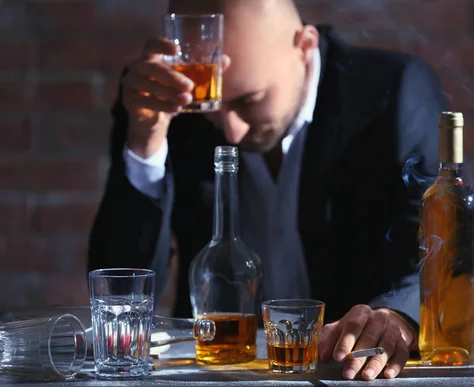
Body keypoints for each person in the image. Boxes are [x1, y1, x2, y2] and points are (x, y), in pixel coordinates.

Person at [88, 0, 449, 380]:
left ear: (305, 46)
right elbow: (118, 290)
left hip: (343, 373)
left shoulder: (392, 91)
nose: (230, 132)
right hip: (215, 374)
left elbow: (438, 246)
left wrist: (396, 315)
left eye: (250, 100)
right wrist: (145, 145)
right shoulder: (174, 105)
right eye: (213, 105)